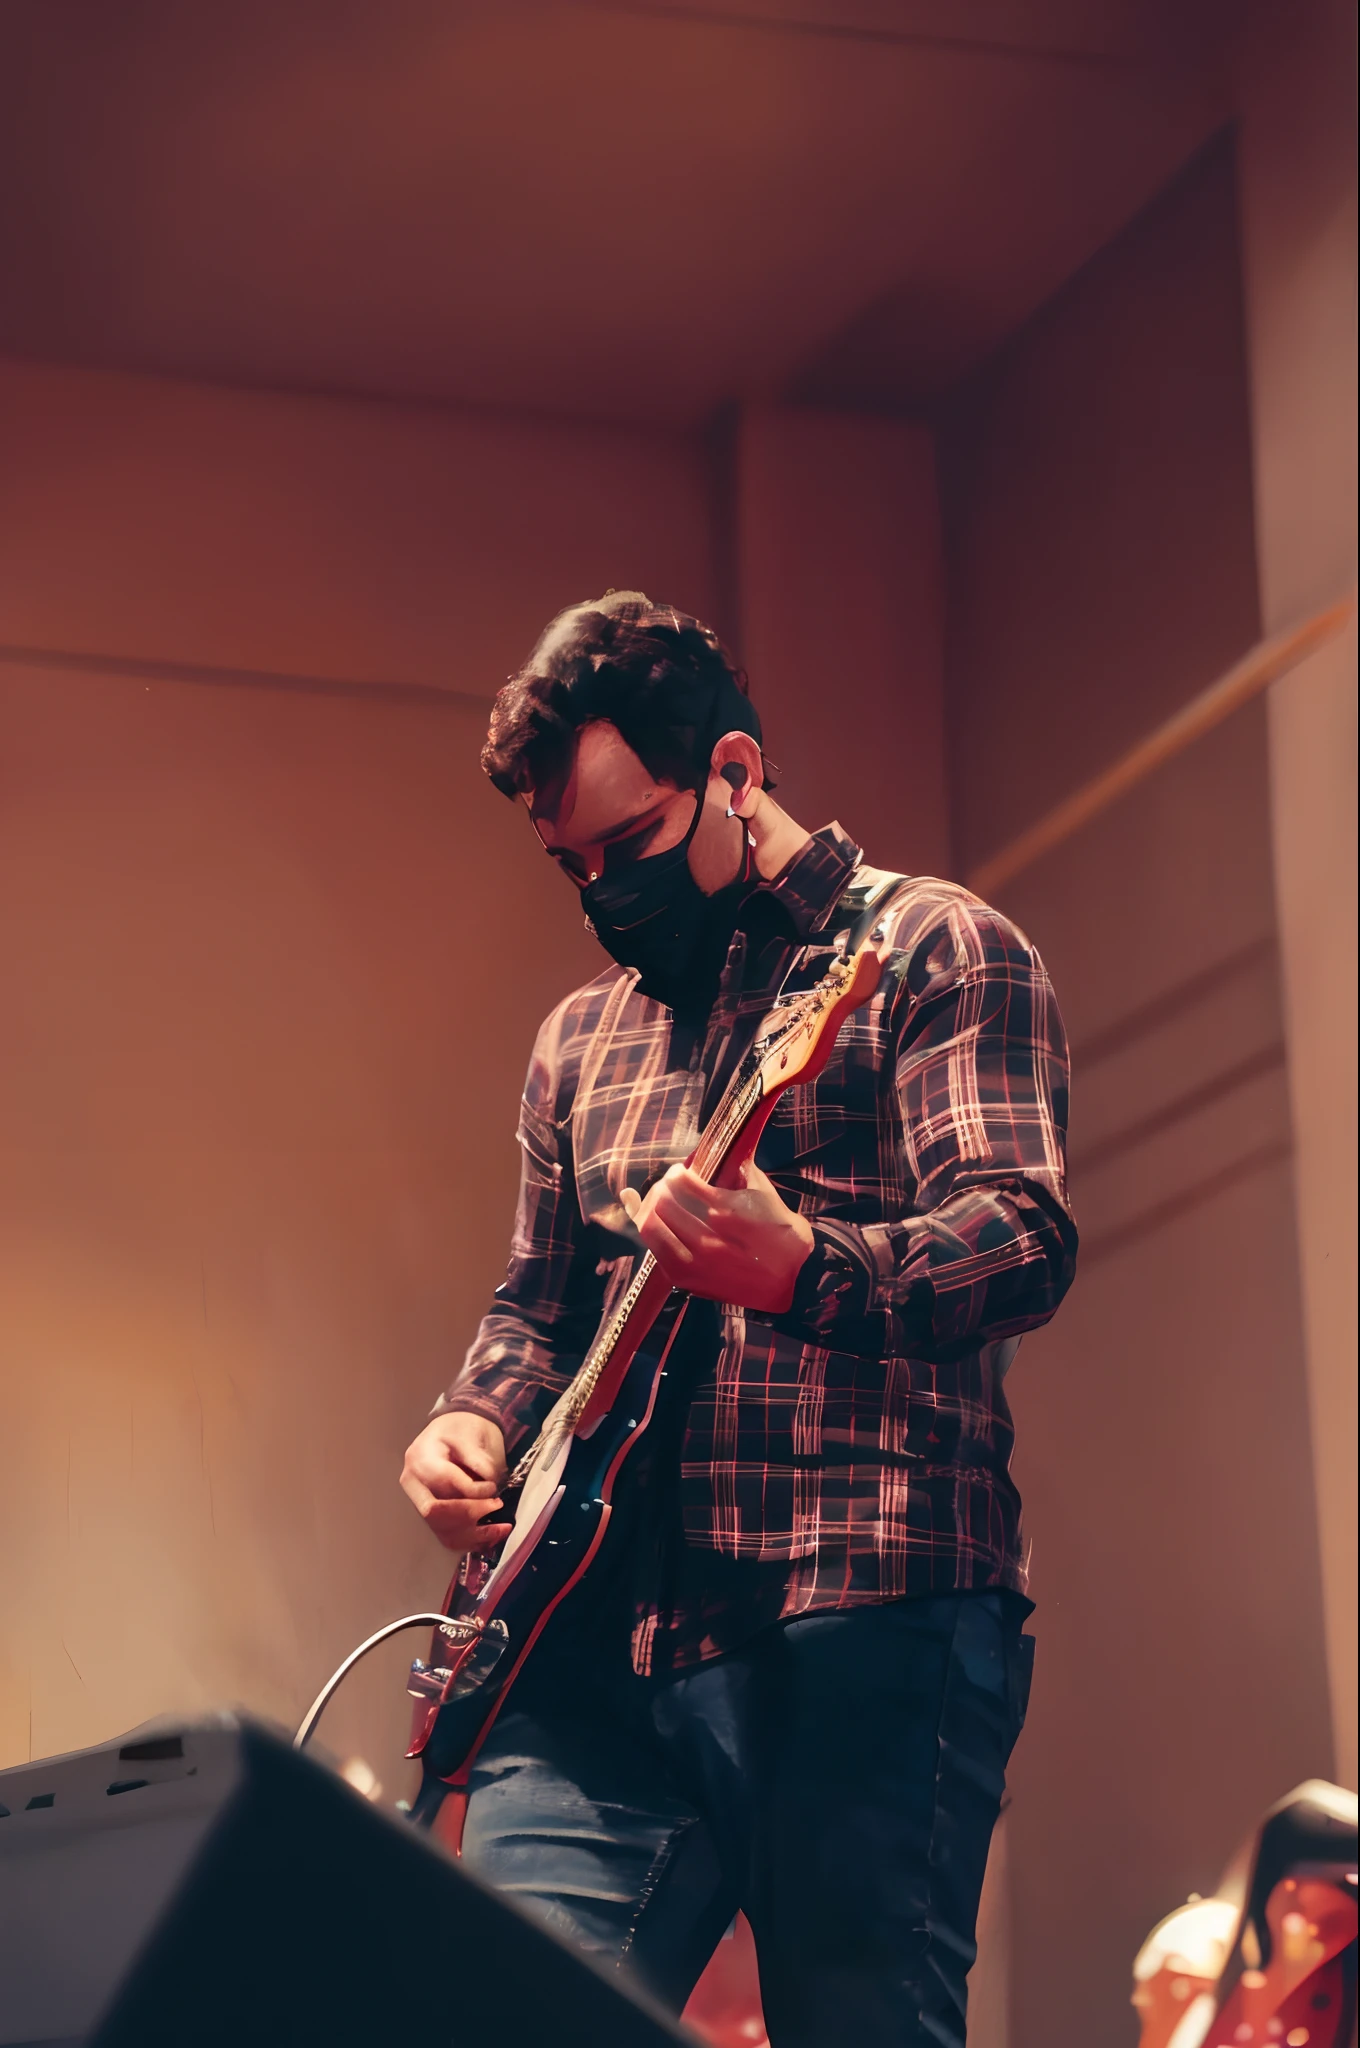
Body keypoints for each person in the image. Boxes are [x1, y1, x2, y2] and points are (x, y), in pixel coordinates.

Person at [399, 592, 1077, 2047]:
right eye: (569, 865)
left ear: (736, 771)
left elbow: (1020, 1239)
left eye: (629, 848)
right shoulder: (580, 1039)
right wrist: (475, 1416)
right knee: (493, 2013)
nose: (602, 892)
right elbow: (537, 1303)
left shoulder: (937, 946)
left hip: (858, 1611)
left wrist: (808, 1270)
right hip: (585, 1643)